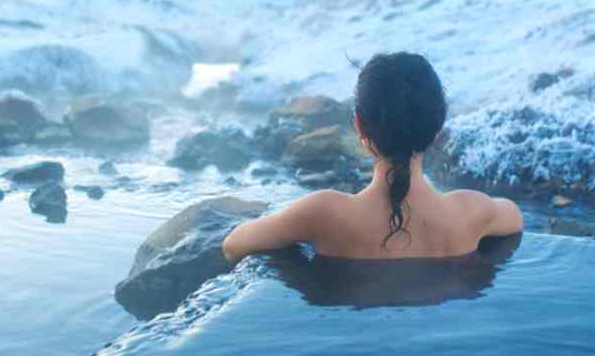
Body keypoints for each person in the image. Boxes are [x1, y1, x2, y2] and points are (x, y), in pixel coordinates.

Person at [222, 52, 523, 263]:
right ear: (437, 128)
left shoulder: (324, 212)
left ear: (359, 126)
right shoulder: (471, 211)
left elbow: (234, 245)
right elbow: (515, 217)